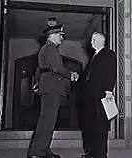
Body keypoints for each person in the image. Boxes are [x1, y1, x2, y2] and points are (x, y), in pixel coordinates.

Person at [27, 19, 79, 158]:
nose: (62, 37)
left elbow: (40, 70)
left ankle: (43, 150)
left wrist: (38, 83)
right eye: (60, 35)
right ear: (52, 35)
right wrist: (71, 75)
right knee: (47, 121)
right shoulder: (50, 48)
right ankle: (37, 152)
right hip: (52, 88)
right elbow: (57, 68)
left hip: (49, 87)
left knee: (48, 121)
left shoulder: (47, 49)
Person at [81, 32, 117, 158]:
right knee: (91, 124)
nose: (91, 42)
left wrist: (109, 90)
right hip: (90, 96)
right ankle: (91, 153)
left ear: (100, 41)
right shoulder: (94, 56)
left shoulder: (109, 54)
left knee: (101, 125)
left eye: (93, 40)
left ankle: (101, 154)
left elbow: (111, 72)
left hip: (102, 95)